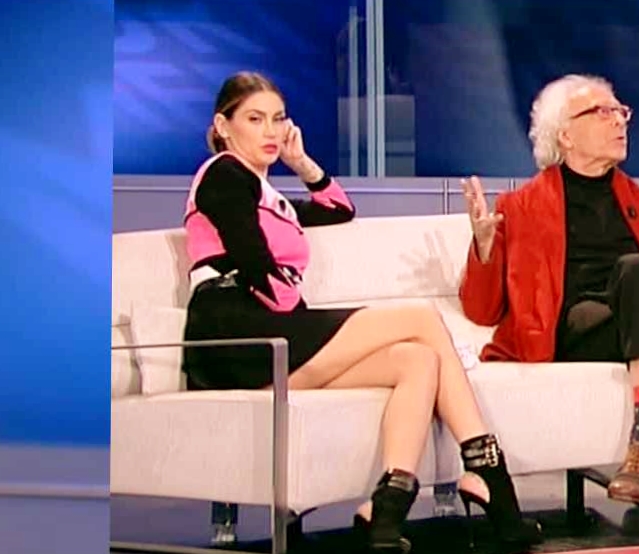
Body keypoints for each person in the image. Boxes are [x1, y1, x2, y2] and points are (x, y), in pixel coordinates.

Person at [177, 72, 539, 553]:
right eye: (255, 119)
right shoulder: (224, 173)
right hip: (235, 334)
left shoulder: (270, 198)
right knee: (419, 319)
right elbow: (256, 267)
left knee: (418, 360)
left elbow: (339, 209)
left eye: (278, 119)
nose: (270, 131)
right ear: (224, 126)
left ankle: (385, 509)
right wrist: (300, 316)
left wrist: (301, 162)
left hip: (272, 334)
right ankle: (489, 475)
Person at [458, 74, 639, 528]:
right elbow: (482, 310)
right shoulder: (520, 207)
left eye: (621, 112)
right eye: (602, 112)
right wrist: (484, 247)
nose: (619, 121)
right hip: (575, 329)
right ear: (565, 135)